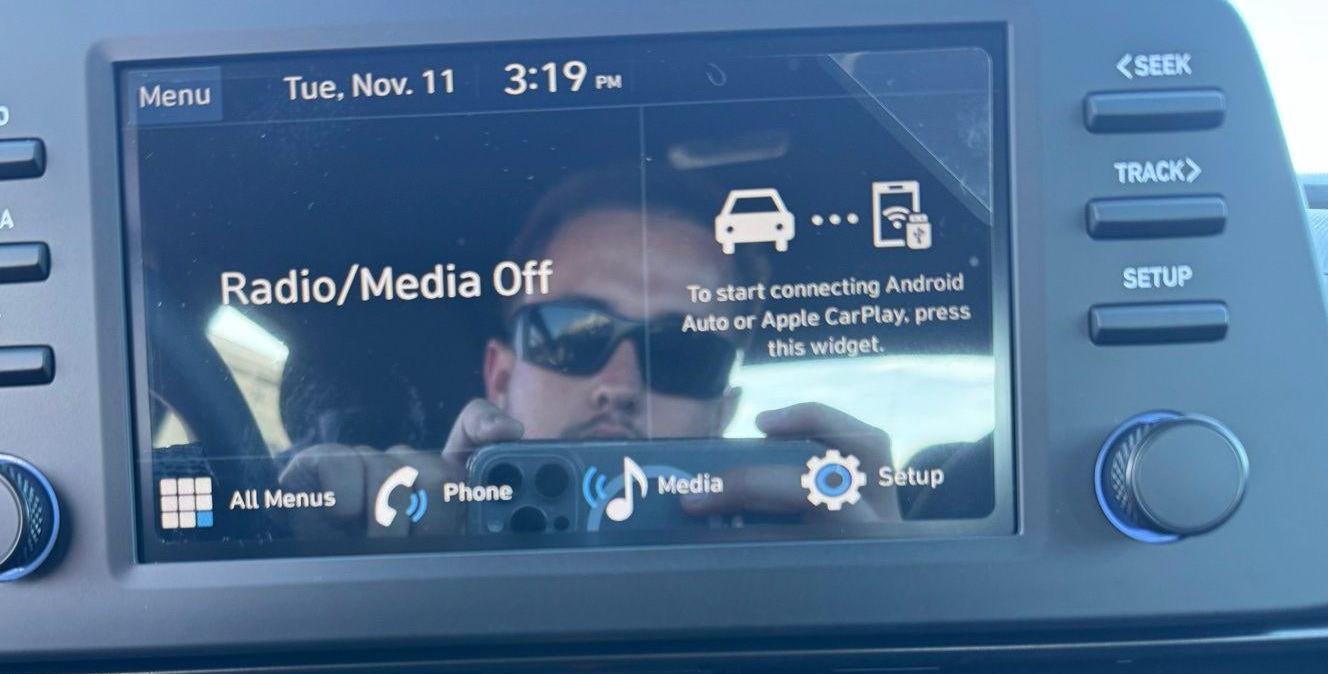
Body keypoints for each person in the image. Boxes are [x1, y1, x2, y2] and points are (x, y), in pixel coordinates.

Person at [277, 167, 899, 535]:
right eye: (573, 334)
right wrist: (312, 548)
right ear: (500, 376)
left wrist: (876, 599)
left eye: (681, 353)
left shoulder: (793, 549)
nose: (620, 385)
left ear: (723, 411)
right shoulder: (396, 517)